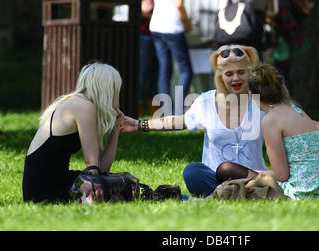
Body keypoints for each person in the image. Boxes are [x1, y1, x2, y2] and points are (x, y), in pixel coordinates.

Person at [120, 44, 319, 198]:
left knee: (237, 180)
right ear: (220, 76)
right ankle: (223, 193)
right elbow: (181, 121)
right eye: (229, 73)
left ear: (250, 73)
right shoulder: (205, 101)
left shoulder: (263, 101)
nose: (235, 78)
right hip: (215, 177)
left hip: (254, 178)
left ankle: (229, 195)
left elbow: (300, 125)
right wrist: (140, 124)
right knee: (192, 172)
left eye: (241, 72)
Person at [249, 64, 319, 199]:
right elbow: (307, 126)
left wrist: (250, 172)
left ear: (252, 94)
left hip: (302, 193)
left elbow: (281, 175)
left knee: (233, 174)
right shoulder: (295, 110)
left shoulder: (270, 120)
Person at [22, 62, 124, 203]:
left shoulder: (80, 103)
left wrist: (116, 128)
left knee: (117, 183)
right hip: (45, 192)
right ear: (106, 88)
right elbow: (93, 166)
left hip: (55, 181)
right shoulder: (83, 106)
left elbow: (102, 168)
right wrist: (94, 190)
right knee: (117, 187)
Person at [149, 0, 193, 112]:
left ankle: (167, 111)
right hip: (173, 27)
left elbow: (145, 7)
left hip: (156, 26)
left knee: (164, 69)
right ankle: (177, 111)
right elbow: (179, 4)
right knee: (186, 70)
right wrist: (187, 21)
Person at [138, 0, 159, 116]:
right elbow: (143, 11)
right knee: (143, 73)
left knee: (155, 74)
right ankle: (139, 107)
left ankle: (153, 108)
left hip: (158, 38)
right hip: (146, 38)